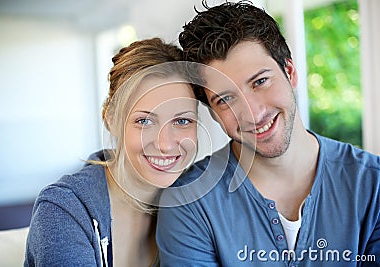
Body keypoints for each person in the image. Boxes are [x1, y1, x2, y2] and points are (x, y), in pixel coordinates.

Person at [156, 1, 380, 266]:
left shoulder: (372, 185)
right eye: (225, 99)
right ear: (214, 114)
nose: (252, 112)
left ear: (290, 72)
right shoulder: (188, 202)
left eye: (260, 82)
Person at [24, 38, 198, 266]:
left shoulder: (197, 201)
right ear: (112, 120)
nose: (165, 144)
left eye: (182, 120)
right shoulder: (64, 210)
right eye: (144, 121)